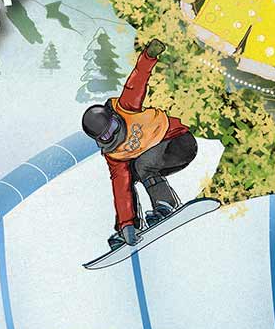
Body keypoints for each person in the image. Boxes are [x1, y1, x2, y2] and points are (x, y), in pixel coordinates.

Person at [81, 51, 194, 252]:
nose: (114, 134)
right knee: (128, 176)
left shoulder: (126, 107)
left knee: (142, 164)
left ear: (114, 117)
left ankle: (165, 204)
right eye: (107, 136)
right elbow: (121, 188)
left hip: (178, 142)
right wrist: (126, 224)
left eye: (113, 127)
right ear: (100, 140)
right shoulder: (114, 154)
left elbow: (137, 80)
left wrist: (149, 56)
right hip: (158, 160)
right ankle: (131, 226)